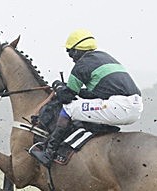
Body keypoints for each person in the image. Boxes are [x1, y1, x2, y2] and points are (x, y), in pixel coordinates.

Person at [29, 29, 143, 167]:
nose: (70, 56)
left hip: (117, 106)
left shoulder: (82, 65)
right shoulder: (104, 57)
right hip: (135, 107)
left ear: (77, 50)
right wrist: (73, 90)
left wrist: (59, 87)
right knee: (83, 106)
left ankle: (49, 152)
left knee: (68, 109)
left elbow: (66, 98)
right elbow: (93, 94)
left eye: (69, 51)